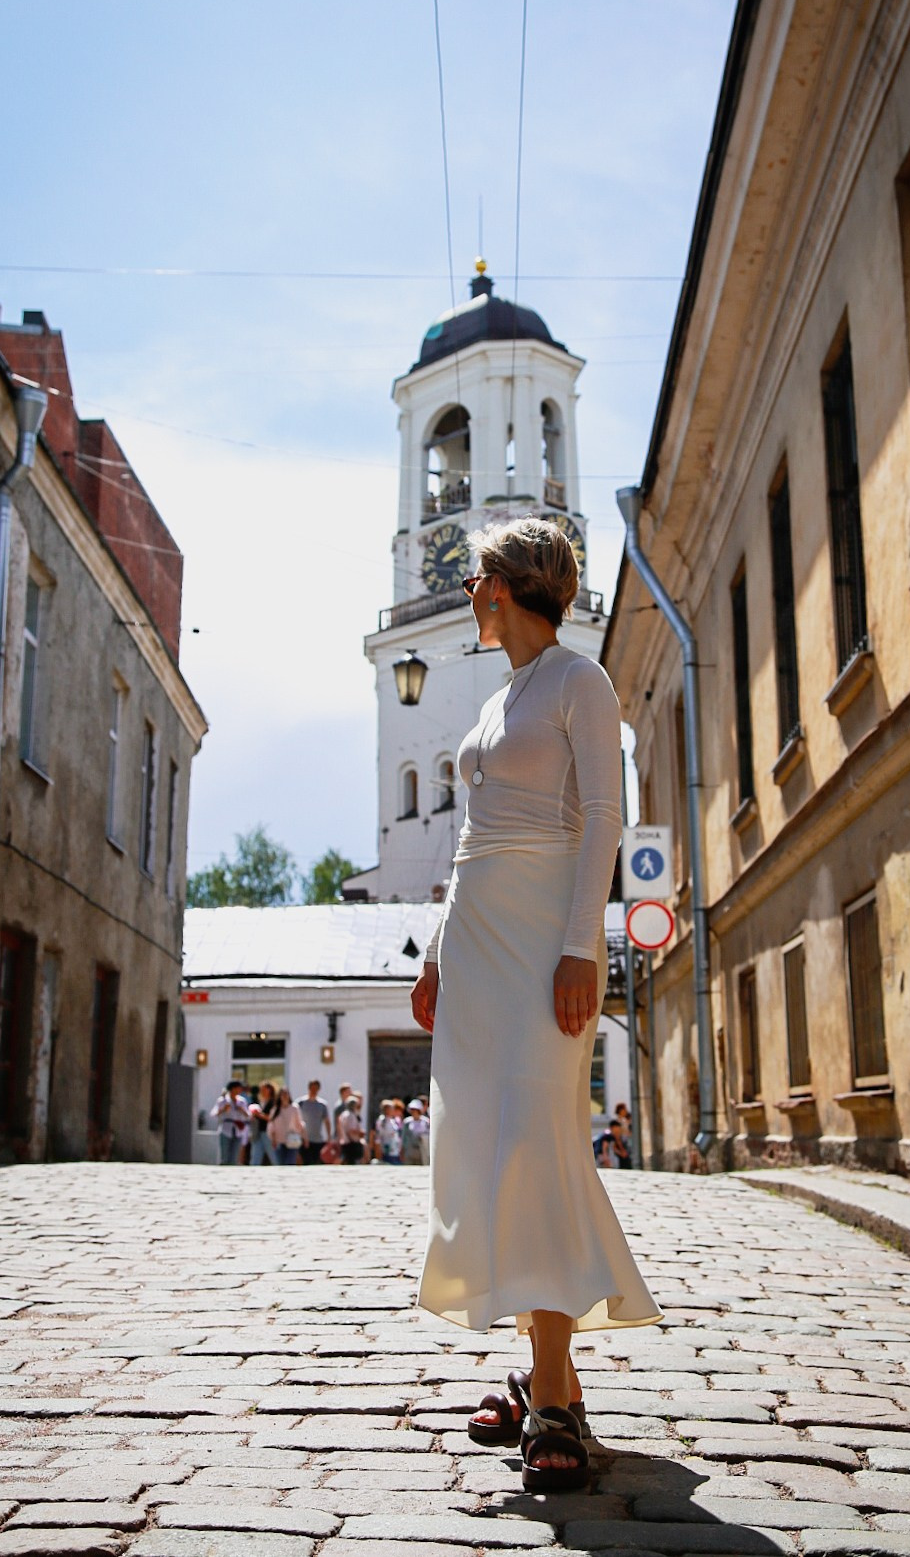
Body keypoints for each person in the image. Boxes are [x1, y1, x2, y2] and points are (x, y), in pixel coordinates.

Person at [410, 517, 662, 1494]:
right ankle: (543, 1377)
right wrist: (434, 954)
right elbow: (470, 844)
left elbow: (602, 814)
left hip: (541, 946)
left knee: (536, 1144)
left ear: (504, 586)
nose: (468, 592)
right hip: (475, 951)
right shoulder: (500, 698)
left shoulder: (576, 679)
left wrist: (578, 946)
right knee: (484, 1150)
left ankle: (553, 1395)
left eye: (475, 578)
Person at [210, 1080, 249, 1166]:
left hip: (238, 1129)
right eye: (238, 1088)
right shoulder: (222, 1101)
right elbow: (213, 1114)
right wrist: (223, 1109)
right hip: (225, 1129)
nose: (240, 1090)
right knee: (225, 1155)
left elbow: (248, 1115)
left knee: (235, 1156)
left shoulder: (242, 1101)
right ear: (233, 1089)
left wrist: (242, 1110)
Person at [298, 1079, 331, 1165]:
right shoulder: (301, 1103)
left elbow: (326, 1121)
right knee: (306, 1162)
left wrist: (328, 1136)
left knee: (316, 1162)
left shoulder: (322, 1104)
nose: (314, 1090)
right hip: (304, 1139)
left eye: (316, 1088)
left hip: (318, 1139)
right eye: (312, 1088)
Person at [268, 1086, 305, 1165]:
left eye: (286, 1094)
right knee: (280, 1163)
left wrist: (303, 1136)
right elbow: (272, 1126)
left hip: (292, 1140)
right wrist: (273, 1139)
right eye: (283, 1094)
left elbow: (300, 1123)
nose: (285, 1096)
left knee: (290, 1163)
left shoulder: (294, 1108)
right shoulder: (275, 1110)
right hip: (279, 1141)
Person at [247, 1082, 278, 1167]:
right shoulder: (260, 1102)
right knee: (255, 1155)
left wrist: (259, 1114)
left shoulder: (273, 1103)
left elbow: (271, 1118)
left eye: (264, 1089)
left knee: (273, 1154)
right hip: (258, 1131)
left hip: (267, 1132)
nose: (262, 1091)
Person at [337, 1096, 365, 1165]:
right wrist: (360, 1132)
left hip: (345, 1141)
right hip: (351, 1142)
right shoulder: (350, 1115)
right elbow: (351, 1130)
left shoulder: (343, 1115)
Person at [372, 1099, 402, 1164]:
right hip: (386, 1151)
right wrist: (378, 1151)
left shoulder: (393, 1121)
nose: (393, 1110)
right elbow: (378, 1137)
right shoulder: (382, 1121)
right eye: (392, 1108)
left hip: (395, 1151)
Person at [402, 1098, 430, 1165]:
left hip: (422, 1150)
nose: (413, 1112)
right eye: (412, 1110)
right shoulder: (407, 1122)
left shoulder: (426, 1121)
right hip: (410, 1150)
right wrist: (402, 1150)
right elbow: (404, 1137)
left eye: (415, 1110)